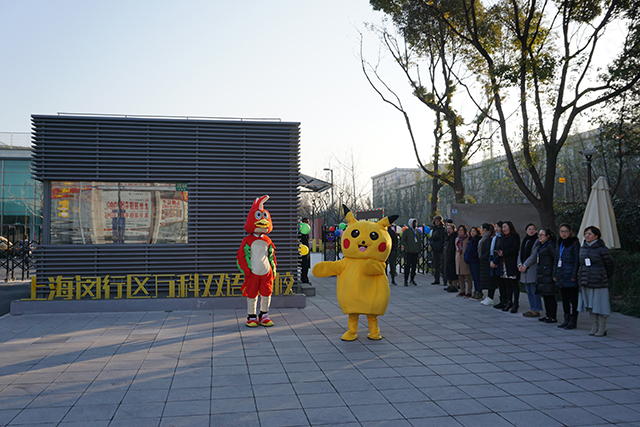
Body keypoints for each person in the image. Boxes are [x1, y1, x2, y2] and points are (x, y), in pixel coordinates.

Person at [578, 226, 614, 337]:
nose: (587, 235)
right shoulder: (583, 248)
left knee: (600, 304)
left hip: (598, 281)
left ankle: (602, 326)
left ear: (596, 236)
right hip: (586, 280)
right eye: (586, 233)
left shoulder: (602, 249)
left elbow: (610, 265)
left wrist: (603, 276)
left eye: (589, 233)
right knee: (590, 304)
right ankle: (594, 325)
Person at [552, 223, 581, 329]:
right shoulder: (559, 243)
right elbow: (556, 259)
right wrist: (555, 273)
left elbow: (577, 260)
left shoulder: (574, 243)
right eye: (561, 231)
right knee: (564, 299)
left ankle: (573, 320)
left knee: (573, 299)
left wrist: (574, 275)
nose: (563, 234)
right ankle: (566, 319)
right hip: (561, 274)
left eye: (566, 231)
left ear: (570, 232)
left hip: (570, 274)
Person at [518, 223, 542, 317]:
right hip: (524, 269)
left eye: (533, 229)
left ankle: (536, 309)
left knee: (534, 290)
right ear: (526, 231)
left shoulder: (537, 241)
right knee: (528, 290)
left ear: (536, 231)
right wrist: (519, 264)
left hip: (532, 268)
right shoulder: (525, 240)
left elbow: (534, 255)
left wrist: (525, 265)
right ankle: (532, 308)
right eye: (529, 229)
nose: (531, 231)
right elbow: (520, 254)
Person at [497, 221, 520, 313]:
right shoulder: (502, 238)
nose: (503, 229)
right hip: (503, 263)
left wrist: (504, 253)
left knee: (514, 284)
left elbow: (515, 249)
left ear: (510, 227)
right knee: (507, 284)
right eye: (502, 227)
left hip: (511, 263)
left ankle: (515, 303)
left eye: (505, 227)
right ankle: (508, 302)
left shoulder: (515, 237)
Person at [536, 228, 558, 324]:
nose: (540, 237)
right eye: (539, 235)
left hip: (548, 273)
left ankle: (552, 316)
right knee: (545, 294)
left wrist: (554, 273)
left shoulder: (550, 246)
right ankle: (548, 314)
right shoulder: (542, 246)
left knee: (550, 295)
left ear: (548, 236)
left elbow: (555, 259)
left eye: (542, 235)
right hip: (543, 273)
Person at [479, 223, 497, 305]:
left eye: (481, 229)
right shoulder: (484, 238)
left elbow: (489, 250)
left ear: (485, 230)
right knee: (487, 280)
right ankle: (488, 296)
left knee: (490, 280)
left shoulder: (489, 238)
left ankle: (490, 297)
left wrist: (483, 257)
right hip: (483, 262)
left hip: (487, 261)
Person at [401, 218, 422, 286]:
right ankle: (406, 280)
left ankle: (412, 279)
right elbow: (403, 240)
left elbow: (419, 241)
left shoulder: (418, 232)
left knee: (414, 266)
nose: (414, 224)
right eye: (413, 223)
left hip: (415, 251)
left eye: (415, 223)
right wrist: (407, 247)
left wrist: (419, 249)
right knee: (407, 266)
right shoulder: (406, 231)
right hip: (409, 251)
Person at [465, 226, 482, 300]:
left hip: (475, 261)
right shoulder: (470, 240)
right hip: (470, 261)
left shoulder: (477, 240)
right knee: (474, 278)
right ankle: (476, 292)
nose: (472, 233)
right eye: (471, 231)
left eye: (474, 231)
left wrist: (473, 256)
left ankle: (479, 292)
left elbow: (477, 251)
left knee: (477, 278)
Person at [491, 221, 505, 308]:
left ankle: (505, 301)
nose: (496, 229)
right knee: (499, 283)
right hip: (494, 261)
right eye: (495, 227)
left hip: (499, 262)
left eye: (498, 227)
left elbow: (499, 250)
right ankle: (502, 300)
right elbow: (492, 251)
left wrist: (495, 262)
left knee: (503, 283)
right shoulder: (495, 238)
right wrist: (491, 260)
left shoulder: (502, 238)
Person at [455, 225, 472, 297]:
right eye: (459, 230)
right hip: (458, 258)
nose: (460, 231)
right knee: (460, 276)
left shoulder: (467, 238)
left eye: (462, 230)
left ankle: (469, 291)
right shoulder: (457, 239)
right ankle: (462, 291)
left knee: (467, 276)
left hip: (465, 258)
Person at [430, 215, 446, 285]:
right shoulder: (434, 229)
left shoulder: (442, 229)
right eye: (435, 221)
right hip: (435, 249)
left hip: (440, 249)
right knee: (436, 265)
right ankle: (436, 279)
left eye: (438, 221)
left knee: (443, 266)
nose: (436, 223)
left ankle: (445, 280)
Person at [443, 222, 459, 292]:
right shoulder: (448, 237)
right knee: (448, 272)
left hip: (452, 257)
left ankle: (454, 285)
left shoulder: (454, 237)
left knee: (453, 272)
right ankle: (450, 285)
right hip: (448, 257)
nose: (448, 230)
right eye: (447, 229)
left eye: (449, 229)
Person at [300, 217, 311, 284]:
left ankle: (305, 278)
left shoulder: (306, 231)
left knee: (306, 265)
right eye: (305, 221)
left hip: (307, 251)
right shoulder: (301, 232)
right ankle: (304, 279)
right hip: (303, 251)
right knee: (304, 265)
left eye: (308, 221)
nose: (307, 223)